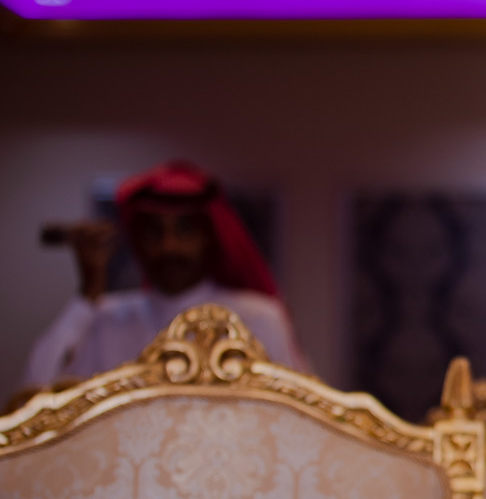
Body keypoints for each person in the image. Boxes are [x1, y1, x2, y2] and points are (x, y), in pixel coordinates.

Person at [22, 158, 305, 389]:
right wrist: (87, 296)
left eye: (184, 230)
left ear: (209, 237)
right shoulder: (108, 320)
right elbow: (35, 390)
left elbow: (298, 411)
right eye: (154, 232)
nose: (169, 246)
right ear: (137, 241)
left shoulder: (257, 318)